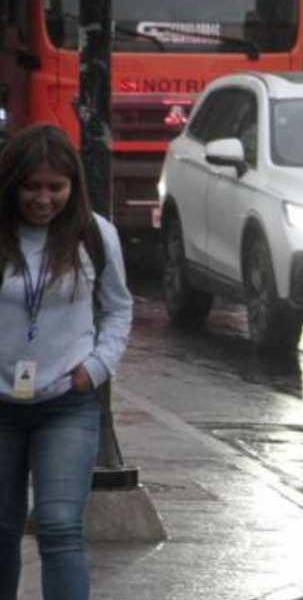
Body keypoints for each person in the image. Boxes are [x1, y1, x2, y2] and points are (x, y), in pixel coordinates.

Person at [0, 125, 133, 600]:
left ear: (72, 186)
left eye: (54, 187)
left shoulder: (95, 235)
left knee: (59, 526)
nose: (42, 199)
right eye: (30, 186)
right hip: (2, 408)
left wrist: (95, 369)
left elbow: (119, 308)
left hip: (67, 405)